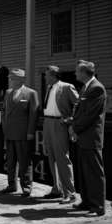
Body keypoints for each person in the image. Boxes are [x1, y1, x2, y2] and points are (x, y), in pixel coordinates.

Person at [71, 60, 107, 216]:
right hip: (83, 136)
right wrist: (73, 125)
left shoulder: (96, 88)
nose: (75, 73)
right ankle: (86, 201)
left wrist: (75, 128)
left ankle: (98, 206)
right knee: (84, 171)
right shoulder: (86, 87)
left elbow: (90, 115)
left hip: (91, 137)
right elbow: (80, 111)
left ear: (85, 72)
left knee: (94, 172)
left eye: (77, 71)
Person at [42, 65, 78, 204]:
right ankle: (57, 189)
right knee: (51, 157)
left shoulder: (67, 87)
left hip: (59, 123)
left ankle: (70, 192)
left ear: (53, 75)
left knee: (62, 158)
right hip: (48, 123)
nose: (45, 77)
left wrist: (70, 119)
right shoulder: (50, 88)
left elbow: (78, 104)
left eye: (46, 75)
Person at [1, 68, 39, 197]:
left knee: (24, 161)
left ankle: (26, 186)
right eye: (10, 78)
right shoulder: (8, 93)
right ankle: (11, 185)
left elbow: (33, 115)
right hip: (10, 132)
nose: (10, 81)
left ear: (20, 80)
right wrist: (5, 128)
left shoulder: (31, 93)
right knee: (10, 161)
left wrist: (30, 132)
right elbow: (4, 111)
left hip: (23, 133)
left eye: (12, 78)